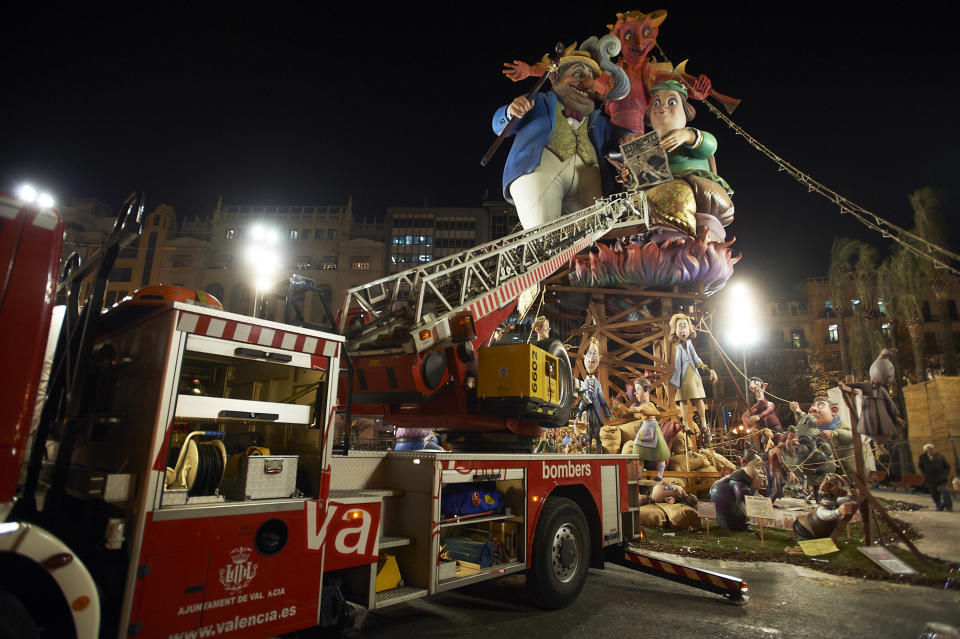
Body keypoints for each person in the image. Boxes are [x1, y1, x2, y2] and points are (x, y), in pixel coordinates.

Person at [493, 48, 630, 230]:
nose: (587, 83)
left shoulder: (596, 120)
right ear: (556, 77)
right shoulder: (539, 102)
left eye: (591, 78)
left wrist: (628, 139)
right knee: (543, 232)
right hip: (539, 169)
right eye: (579, 74)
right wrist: (511, 111)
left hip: (586, 177)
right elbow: (499, 126)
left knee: (589, 235)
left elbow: (619, 137)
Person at [642, 79, 733, 242]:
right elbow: (644, 180)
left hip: (693, 186)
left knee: (679, 192)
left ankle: (682, 235)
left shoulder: (690, 137)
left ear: (685, 111)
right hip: (657, 193)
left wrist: (688, 135)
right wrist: (630, 176)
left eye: (671, 102)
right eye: (656, 103)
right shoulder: (648, 149)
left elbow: (711, 145)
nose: (662, 107)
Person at [668, 313, 716, 439]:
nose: (683, 330)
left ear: (689, 328)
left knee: (698, 398)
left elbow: (695, 357)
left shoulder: (689, 343)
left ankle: (703, 422)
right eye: (680, 327)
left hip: (692, 374)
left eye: (685, 326)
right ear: (675, 329)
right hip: (683, 376)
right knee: (684, 400)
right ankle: (685, 423)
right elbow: (673, 362)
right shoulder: (675, 346)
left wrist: (702, 365)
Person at [793, 474, 858, 540]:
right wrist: (839, 511)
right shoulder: (822, 508)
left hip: (823, 532)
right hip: (807, 530)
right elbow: (824, 515)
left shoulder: (835, 502)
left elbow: (844, 500)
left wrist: (853, 497)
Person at [629, 377, 670, 479]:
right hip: (644, 428)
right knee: (638, 453)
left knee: (660, 454)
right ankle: (638, 476)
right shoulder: (642, 406)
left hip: (652, 428)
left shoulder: (649, 404)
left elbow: (656, 413)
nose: (635, 393)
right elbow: (639, 415)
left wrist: (639, 410)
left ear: (646, 390)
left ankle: (660, 475)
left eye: (638, 389)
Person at [577, 337, 610, 453]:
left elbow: (601, 398)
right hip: (589, 413)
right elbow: (583, 399)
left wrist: (607, 413)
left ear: (599, 359)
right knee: (589, 434)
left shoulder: (597, 383)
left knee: (597, 434)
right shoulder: (584, 382)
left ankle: (598, 452)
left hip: (595, 412)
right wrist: (579, 414)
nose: (591, 359)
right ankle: (588, 452)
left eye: (594, 354)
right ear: (584, 357)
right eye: (589, 354)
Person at [918, 443, 953, 511]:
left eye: (933, 448)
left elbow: (947, 467)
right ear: (926, 450)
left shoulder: (940, 456)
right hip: (930, 479)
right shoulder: (922, 457)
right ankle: (939, 505)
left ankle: (948, 506)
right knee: (934, 493)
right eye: (930, 449)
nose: (932, 450)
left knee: (945, 491)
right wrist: (925, 474)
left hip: (941, 478)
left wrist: (944, 475)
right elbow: (920, 466)